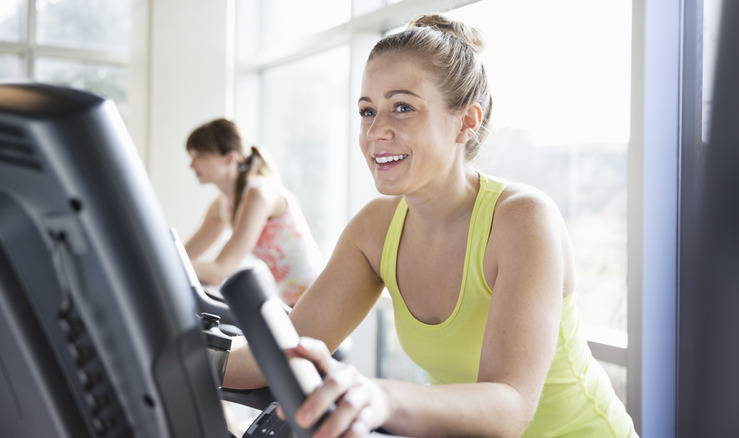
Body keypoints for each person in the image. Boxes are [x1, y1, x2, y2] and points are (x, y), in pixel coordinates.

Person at [223, 13, 638, 437]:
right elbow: (274, 355)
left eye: (402, 108)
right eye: (367, 111)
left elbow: (509, 407)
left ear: (467, 121)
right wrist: (182, 350)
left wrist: (380, 396)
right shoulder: (375, 229)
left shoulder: (523, 219)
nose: (375, 131)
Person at [184, 118, 323, 307]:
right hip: (290, 302)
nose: (191, 165)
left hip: (318, 296)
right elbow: (185, 256)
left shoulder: (259, 194)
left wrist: (168, 264)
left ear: (229, 158)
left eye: (200, 156)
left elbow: (218, 272)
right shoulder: (222, 205)